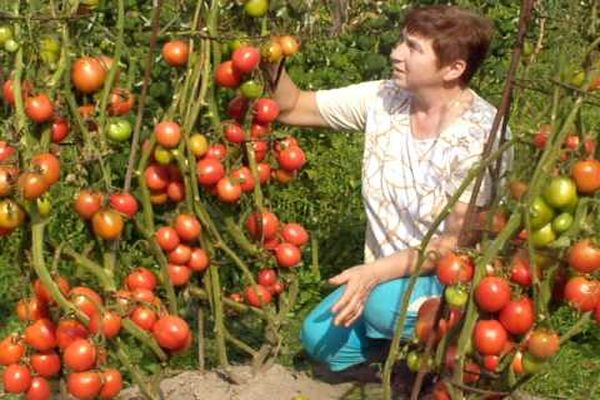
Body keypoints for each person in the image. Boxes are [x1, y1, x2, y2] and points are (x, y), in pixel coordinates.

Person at [264, 4, 498, 384]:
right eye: (401, 42)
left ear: (453, 68)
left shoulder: (481, 136)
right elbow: (291, 107)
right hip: (386, 279)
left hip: (444, 279)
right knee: (317, 339)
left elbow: (455, 243)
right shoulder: (384, 99)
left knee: (382, 305)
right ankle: (395, 353)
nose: (396, 54)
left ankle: (451, 354)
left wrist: (374, 274)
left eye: (413, 48)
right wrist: (268, 55)